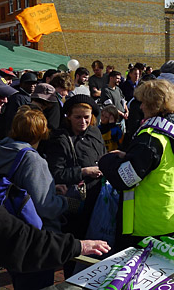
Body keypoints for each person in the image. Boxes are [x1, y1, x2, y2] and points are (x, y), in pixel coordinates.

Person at [99, 80, 174, 250]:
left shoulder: (150, 137)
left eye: (143, 102)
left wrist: (106, 161)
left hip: (146, 227)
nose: (141, 107)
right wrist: (129, 156)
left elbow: (125, 179)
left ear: (153, 105)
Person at [0, 107, 68, 289]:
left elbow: (17, 186)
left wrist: (49, 188)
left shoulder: (0, 149)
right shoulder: (32, 159)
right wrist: (66, 202)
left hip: (8, 231)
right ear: (41, 132)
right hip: (33, 240)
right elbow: (45, 206)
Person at [0, 193, 109, 276]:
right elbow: (20, 240)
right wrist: (77, 246)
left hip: (22, 249)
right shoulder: (32, 160)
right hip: (38, 246)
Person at [40, 95, 105, 256]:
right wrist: (83, 171)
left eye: (86, 118)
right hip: (75, 204)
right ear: (68, 116)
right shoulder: (60, 139)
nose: (82, 122)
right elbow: (56, 173)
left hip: (97, 200)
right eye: (78, 117)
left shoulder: (95, 132)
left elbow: (102, 155)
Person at [0, 72, 38, 138]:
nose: (32, 85)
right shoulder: (17, 97)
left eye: (34, 83)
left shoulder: (28, 96)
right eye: (28, 83)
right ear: (21, 84)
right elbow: (12, 118)